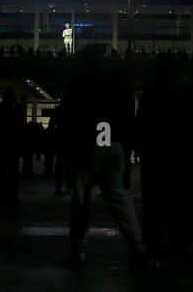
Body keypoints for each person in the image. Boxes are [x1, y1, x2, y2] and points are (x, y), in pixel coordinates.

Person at [59, 46, 152, 270]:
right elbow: (127, 116)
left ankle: (78, 250)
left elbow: (69, 117)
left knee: (81, 198)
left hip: (89, 143)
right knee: (120, 198)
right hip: (113, 144)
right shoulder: (114, 84)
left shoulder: (78, 83)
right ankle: (137, 248)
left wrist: (68, 150)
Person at [134, 57, 193, 263]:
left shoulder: (150, 96)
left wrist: (141, 150)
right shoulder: (188, 95)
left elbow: (141, 128)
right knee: (181, 205)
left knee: (154, 207)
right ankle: (182, 245)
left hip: (156, 159)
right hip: (183, 158)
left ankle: (154, 249)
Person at [0, 90, 24, 206]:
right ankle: (13, 197)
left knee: (2, 173)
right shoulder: (16, 109)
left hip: (1, 146)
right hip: (12, 146)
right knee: (13, 173)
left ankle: (2, 196)